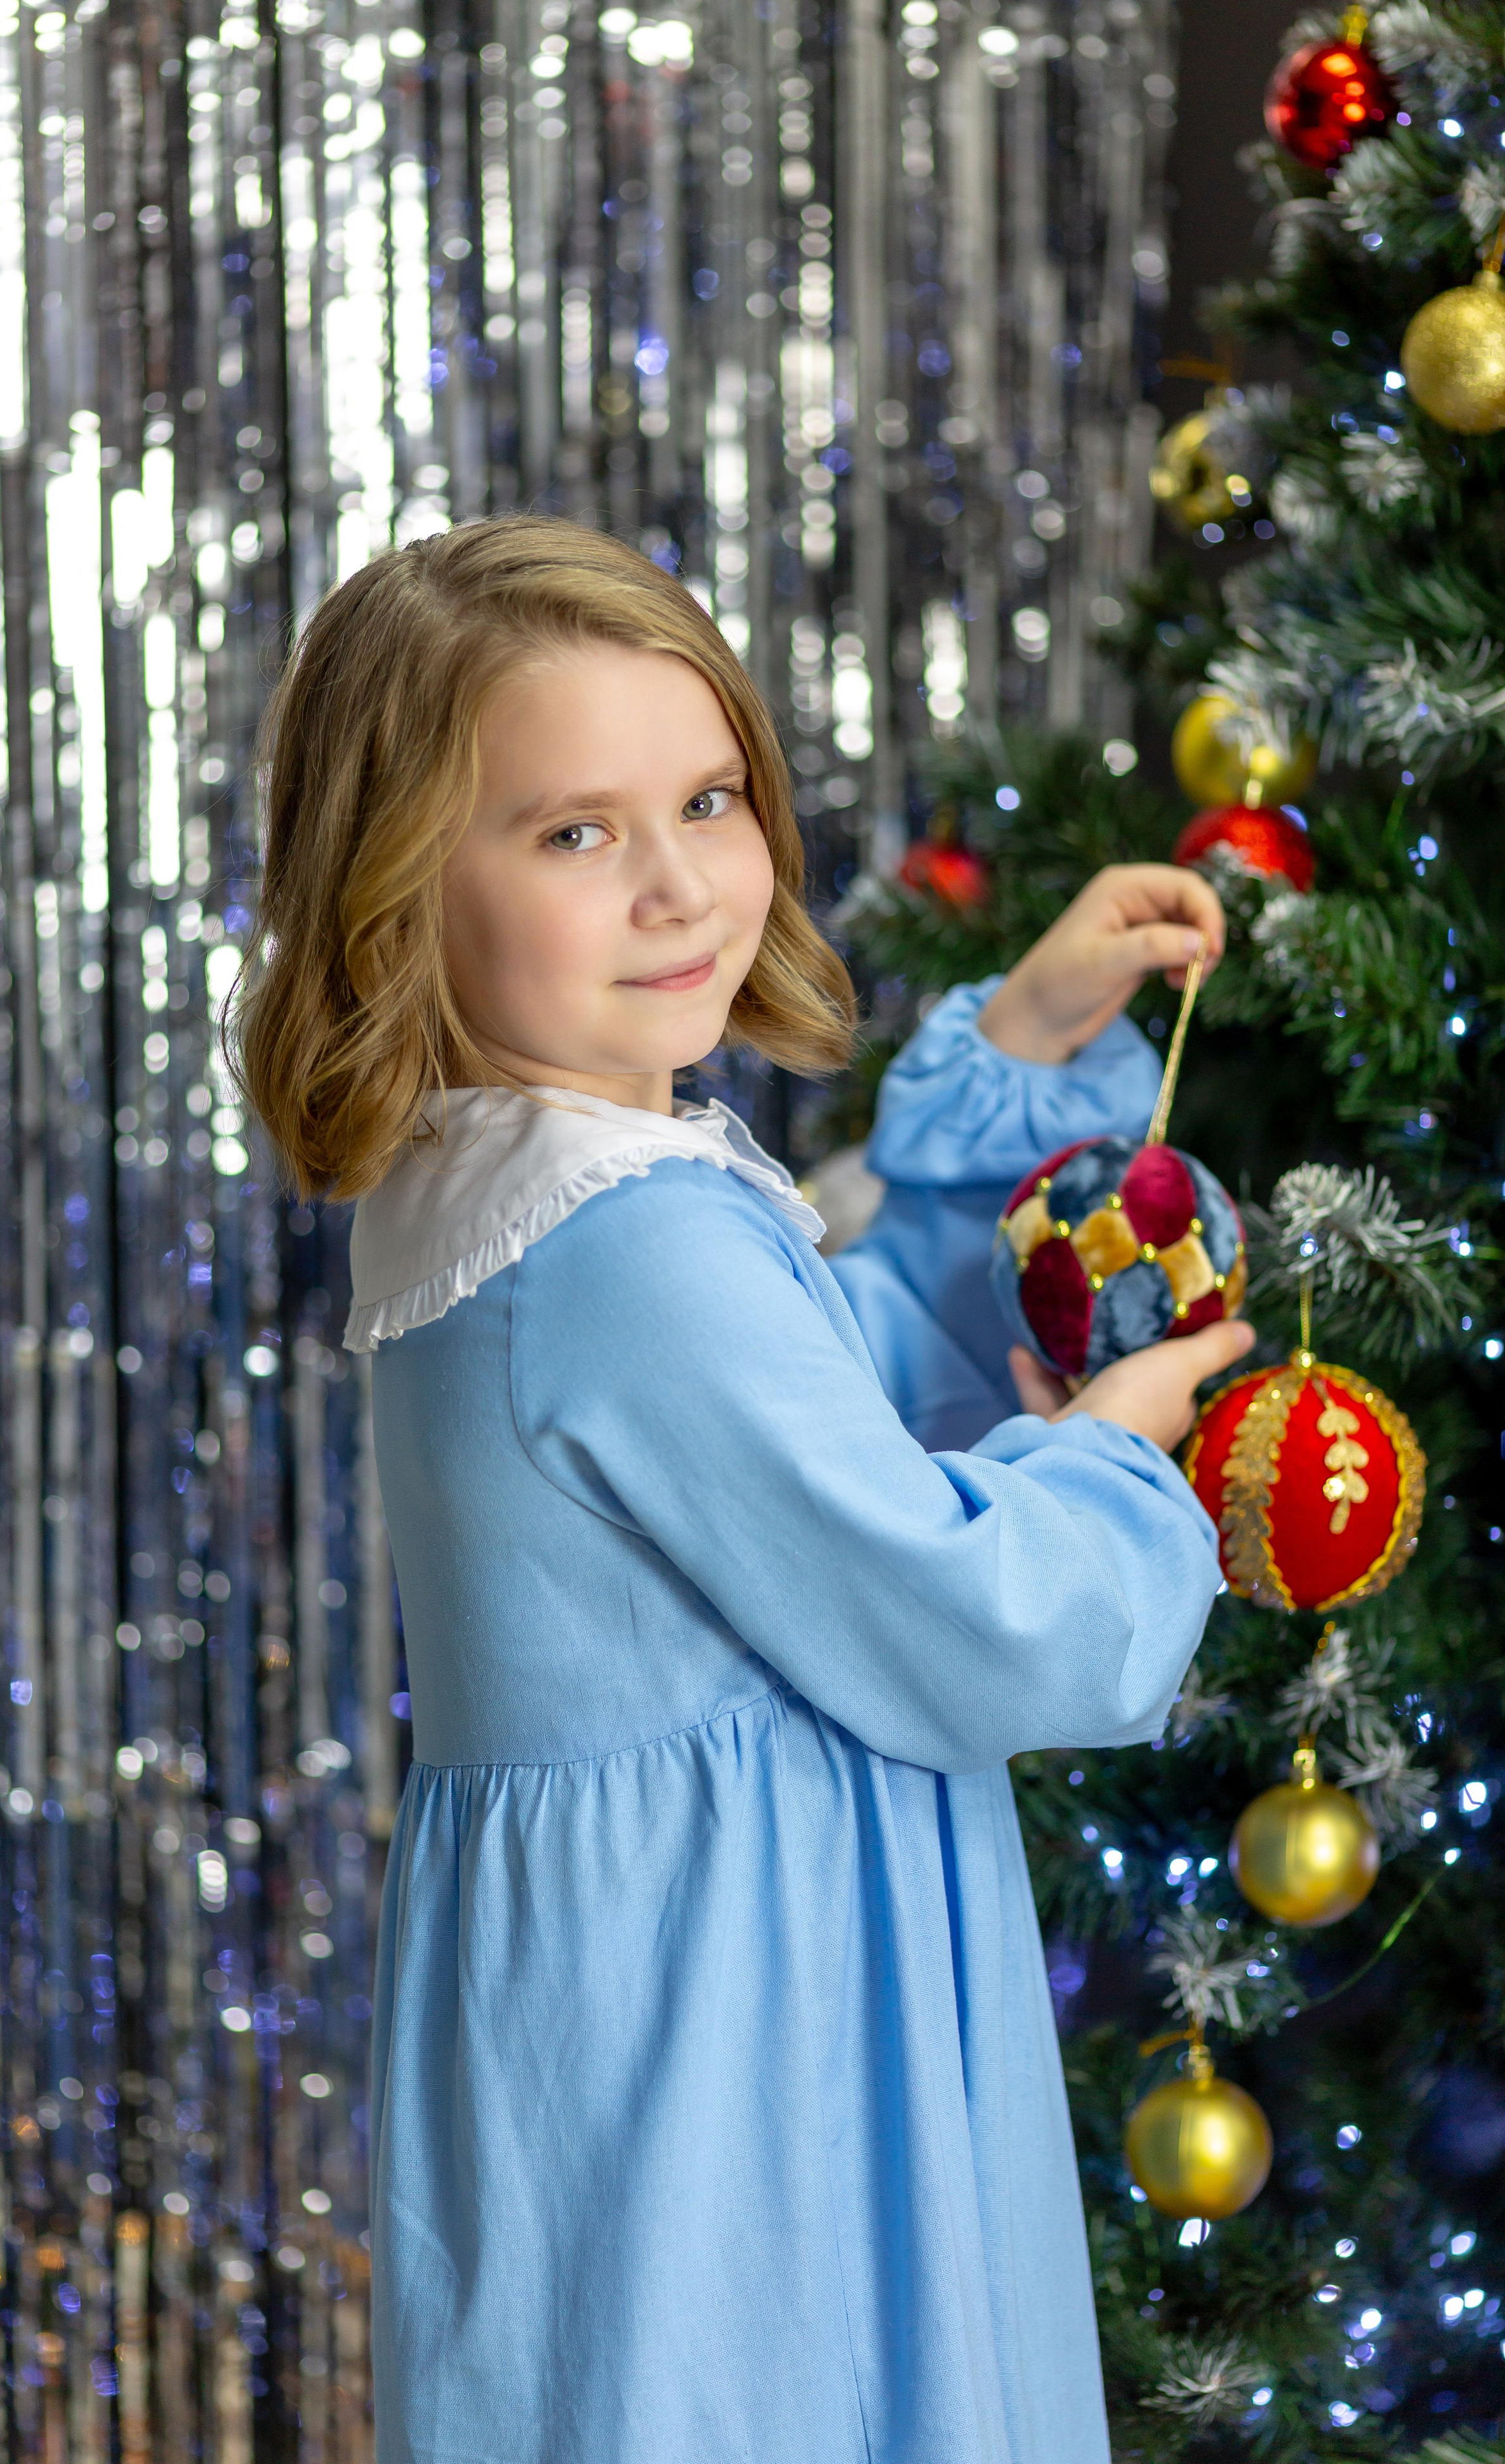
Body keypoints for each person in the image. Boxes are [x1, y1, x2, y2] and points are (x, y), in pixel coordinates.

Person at [235, 516, 1251, 2464]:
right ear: (397, 899)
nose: (680, 884)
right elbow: (978, 1629)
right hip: (745, 2064)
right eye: (575, 833)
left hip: (635, 2022)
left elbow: (819, 1421)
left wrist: (1022, 1051)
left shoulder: (520, 1184)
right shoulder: (628, 1248)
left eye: (707, 800)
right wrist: (1116, 1453)